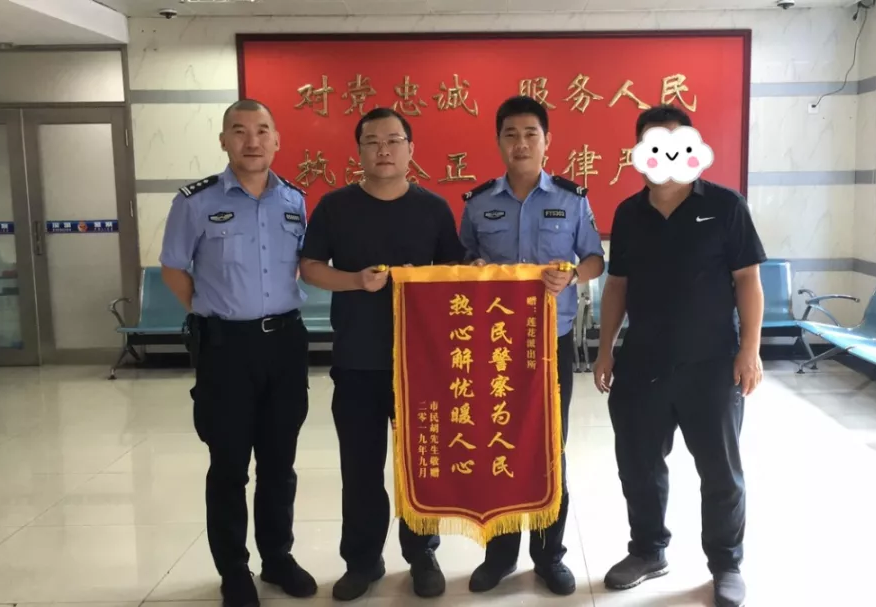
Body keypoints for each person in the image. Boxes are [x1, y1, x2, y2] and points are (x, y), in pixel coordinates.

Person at [592, 105, 766, 607]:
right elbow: (617, 285)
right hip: (642, 362)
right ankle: (648, 551)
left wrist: (750, 350)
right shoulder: (629, 213)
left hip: (711, 363)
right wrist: (605, 350)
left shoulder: (726, 206)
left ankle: (726, 564)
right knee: (639, 466)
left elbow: (747, 280)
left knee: (720, 471)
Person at [298, 107, 466, 602]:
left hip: (422, 364)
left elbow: (454, 275)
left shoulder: (434, 208)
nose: (384, 150)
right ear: (360, 151)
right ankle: (363, 561)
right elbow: (310, 267)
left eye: (393, 140)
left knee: (421, 464)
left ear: (411, 149)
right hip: (357, 360)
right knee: (360, 469)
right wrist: (355, 280)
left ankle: (423, 554)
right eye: (372, 142)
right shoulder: (335, 206)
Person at [159, 99, 317, 607]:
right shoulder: (195, 201)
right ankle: (233, 570)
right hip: (226, 348)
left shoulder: (294, 199)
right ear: (224, 140)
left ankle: (278, 558)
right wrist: (208, 311)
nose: (252, 141)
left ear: (277, 140)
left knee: (279, 462)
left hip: (285, 344)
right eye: (240, 130)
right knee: (228, 464)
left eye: (262, 130)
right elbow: (174, 268)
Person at [459, 95, 605, 596]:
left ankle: (549, 556)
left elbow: (595, 259)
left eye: (530, 134)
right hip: (494, 345)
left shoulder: (572, 199)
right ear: (498, 141)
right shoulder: (478, 202)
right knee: (497, 444)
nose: (520, 143)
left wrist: (573, 275)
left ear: (547, 141)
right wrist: (473, 268)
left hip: (550, 345)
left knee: (548, 450)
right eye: (511, 134)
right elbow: (462, 260)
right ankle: (500, 555)